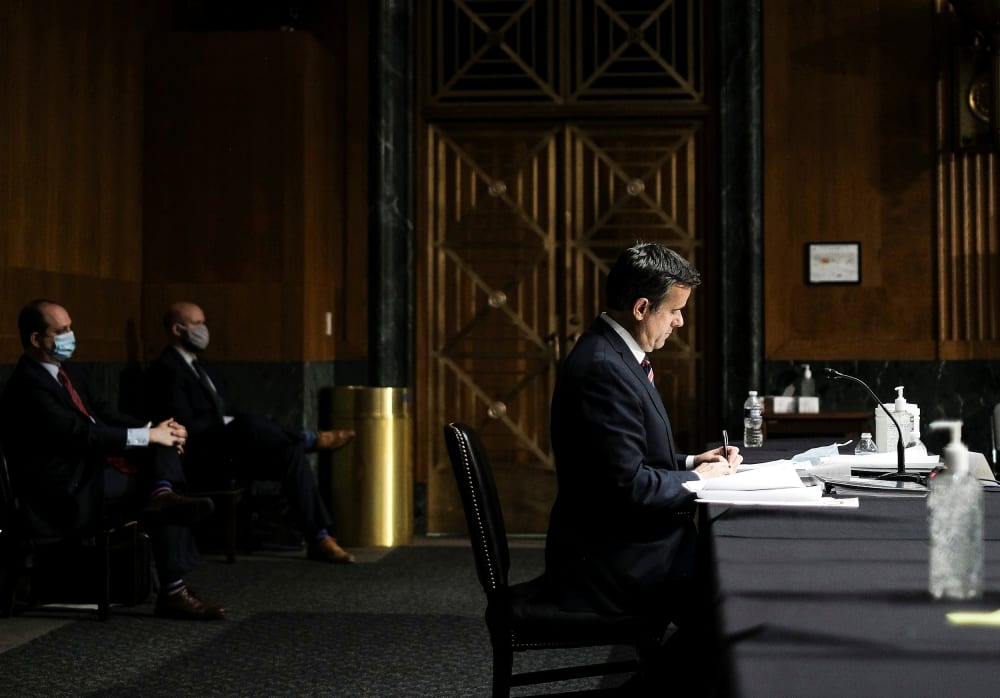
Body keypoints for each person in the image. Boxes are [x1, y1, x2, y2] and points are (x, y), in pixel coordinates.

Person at [543, 242, 741, 679]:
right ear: (641, 308)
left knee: (734, 593)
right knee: (737, 603)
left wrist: (691, 461)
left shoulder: (614, 354)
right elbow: (628, 486)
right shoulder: (602, 367)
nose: (680, 321)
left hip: (626, 543)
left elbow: (621, 458)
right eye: (674, 311)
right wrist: (701, 482)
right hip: (611, 561)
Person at [0, 299, 225, 620]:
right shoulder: (28, 385)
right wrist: (149, 437)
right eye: (61, 331)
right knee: (156, 488)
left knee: (159, 453)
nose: (70, 336)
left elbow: (104, 413)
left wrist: (156, 429)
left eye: (70, 327)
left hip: (91, 470)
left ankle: (164, 495)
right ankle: (173, 585)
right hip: (61, 492)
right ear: (36, 339)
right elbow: (81, 435)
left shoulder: (70, 372)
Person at [145, 301, 356, 564]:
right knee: (246, 423)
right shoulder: (166, 370)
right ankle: (309, 438)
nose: (204, 330)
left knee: (289, 454)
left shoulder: (203, 367)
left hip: (232, 450)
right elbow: (184, 424)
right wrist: (228, 427)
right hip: (202, 451)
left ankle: (320, 537)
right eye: (198, 324)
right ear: (177, 329)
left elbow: (227, 407)